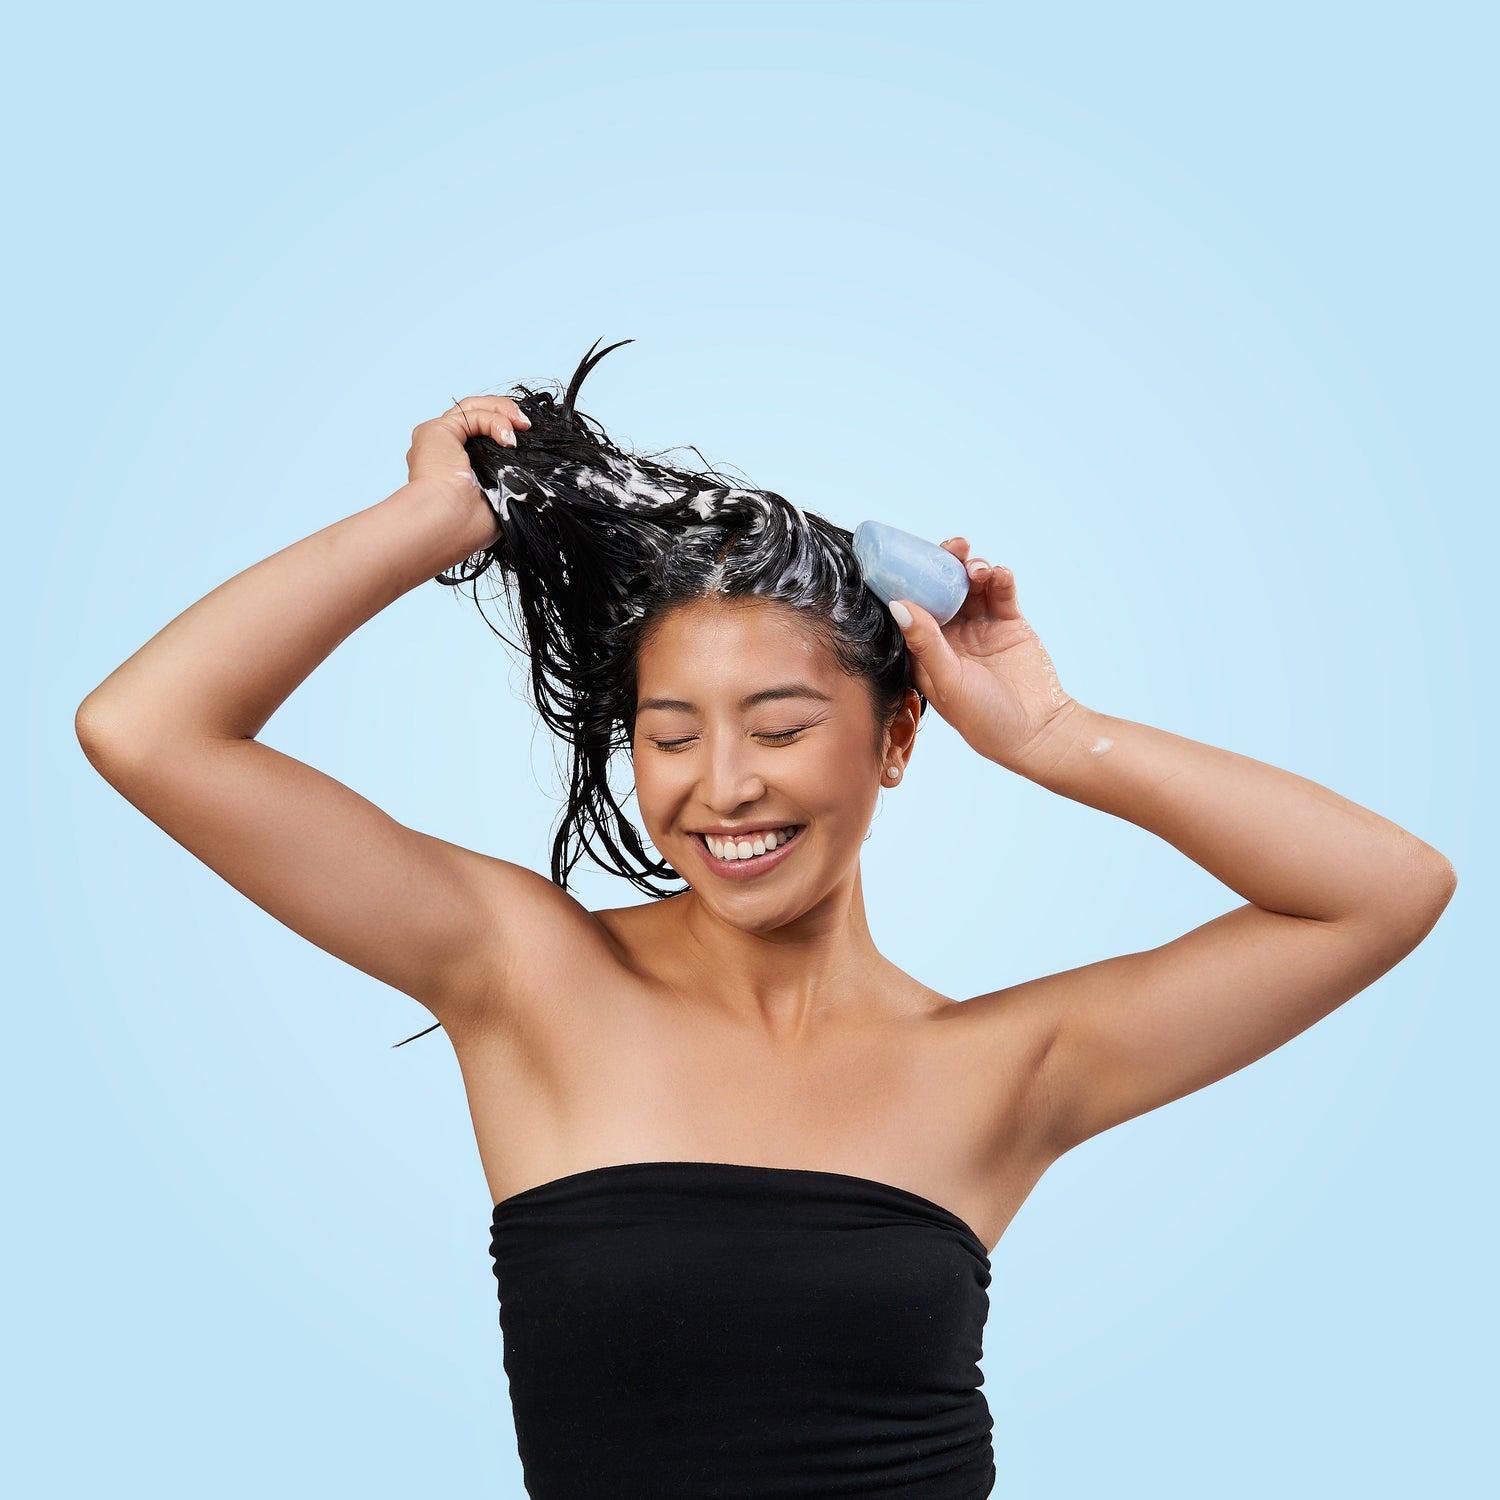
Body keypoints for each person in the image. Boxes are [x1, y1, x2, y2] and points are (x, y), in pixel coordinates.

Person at [74, 339, 1457, 1500]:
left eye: (782, 728)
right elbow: (147, 730)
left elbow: (1385, 890)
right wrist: (434, 525)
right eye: (671, 737)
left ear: (897, 737)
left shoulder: (1005, 1066)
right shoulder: (523, 972)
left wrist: (1051, 734)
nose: (724, 786)